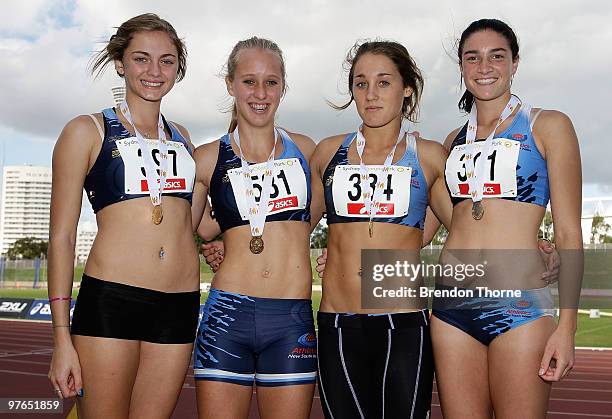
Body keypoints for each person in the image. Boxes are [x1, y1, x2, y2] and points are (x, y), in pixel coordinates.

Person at [47, 14, 200, 418]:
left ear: (178, 68)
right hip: (113, 299)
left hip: (180, 304)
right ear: (120, 62)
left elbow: (191, 221)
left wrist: (219, 242)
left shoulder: (183, 137)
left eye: (167, 61)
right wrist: (62, 338)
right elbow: (61, 238)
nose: (154, 71)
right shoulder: (87, 130)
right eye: (141, 59)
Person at [430, 18, 582, 418]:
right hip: (452, 306)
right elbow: (426, 224)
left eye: (496, 56)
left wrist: (567, 326)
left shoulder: (548, 126)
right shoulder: (452, 142)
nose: (484, 67)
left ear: (515, 63)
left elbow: (568, 230)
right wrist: (340, 254)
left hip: (520, 306)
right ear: (461, 67)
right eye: (472, 58)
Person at [308, 40, 454, 419]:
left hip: (401, 324)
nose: (370, 95)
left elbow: (467, 226)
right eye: (360, 83)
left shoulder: (430, 156)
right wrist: (222, 241)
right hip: (338, 321)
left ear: (407, 87)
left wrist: (534, 243)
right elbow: (291, 227)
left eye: (384, 82)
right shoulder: (327, 153)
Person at [190, 37, 318, 419]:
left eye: (271, 82)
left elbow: (331, 218)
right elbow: (185, 228)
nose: (260, 93)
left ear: (283, 86)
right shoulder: (207, 157)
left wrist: (338, 253)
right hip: (227, 315)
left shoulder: (307, 149)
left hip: (290, 318)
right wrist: (210, 242)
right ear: (230, 85)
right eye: (249, 81)